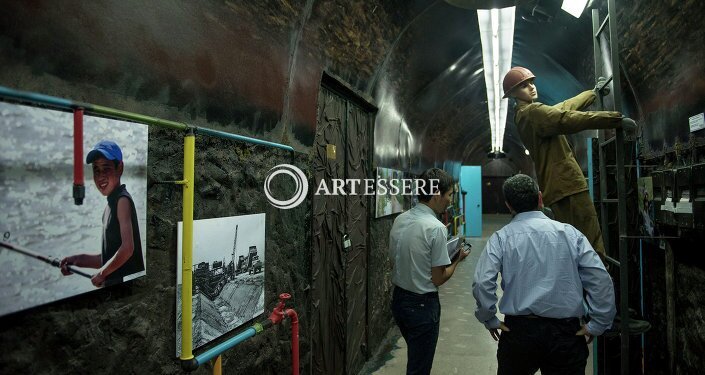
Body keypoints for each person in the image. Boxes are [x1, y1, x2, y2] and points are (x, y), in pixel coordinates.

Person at [472, 174, 616, 374]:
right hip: (565, 334)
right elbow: (600, 279)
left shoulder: (501, 238)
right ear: (540, 198)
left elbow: (482, 282)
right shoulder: (570, 234)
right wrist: (599, 322)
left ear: (508, 205)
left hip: (519, 333)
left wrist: (489, 317)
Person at [502, 66, 637, 262]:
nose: (531, 87)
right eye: (523, 85)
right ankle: (596, 287)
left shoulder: (525, 115)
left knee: (572, 243)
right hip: (567, 185)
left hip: (557, 188)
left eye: (531, 82)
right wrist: (615, 120)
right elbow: (566, 118)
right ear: (513, 94)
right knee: (590, 242)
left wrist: (592, 94)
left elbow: (565, 107)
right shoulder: (532, 112)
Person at [389, 168, 470, 375]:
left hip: (399, 301)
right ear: (436, 194)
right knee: (419, 368)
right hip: (422, 306)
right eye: (449, 195)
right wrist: (457, 259)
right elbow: (439, 277)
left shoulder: (400, 219)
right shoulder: (435, 228)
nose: (451, 201)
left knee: (416, 359)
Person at [60, 140, 144, 287]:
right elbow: (108, 259)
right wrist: (77, 260)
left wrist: (102, 273)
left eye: (106, 168)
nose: (100, 176)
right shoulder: (109, 206)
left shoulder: (122, 200)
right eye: (96, 170)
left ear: (120, 168)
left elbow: (127, 248)